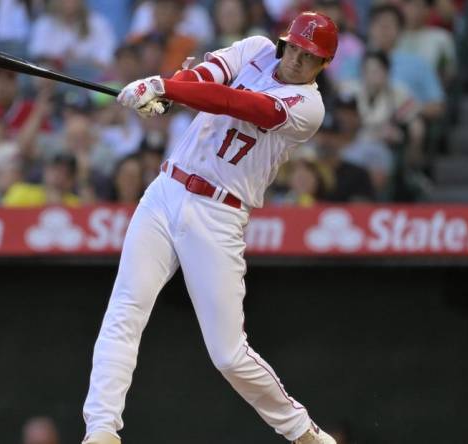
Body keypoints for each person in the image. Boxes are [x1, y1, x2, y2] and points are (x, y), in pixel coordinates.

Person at [82, 12, 339, 444]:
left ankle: (304, 432)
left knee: (228, 355)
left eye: (308, 55)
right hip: (166, 190)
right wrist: (173, 90)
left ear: (322, 64)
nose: (296, 58)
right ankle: (102, 429)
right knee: (125, 310)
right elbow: (207, 74)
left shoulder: (308, 108)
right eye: (293, 46)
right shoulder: (256, 48)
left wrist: (165, 87)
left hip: (219, 214)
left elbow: (234, 103)